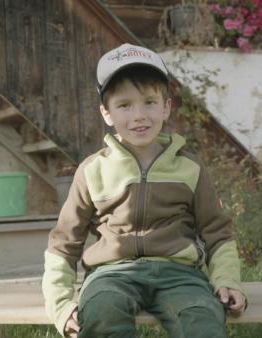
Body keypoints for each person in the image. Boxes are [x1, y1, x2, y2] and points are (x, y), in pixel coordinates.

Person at [42, 43, 246, 338]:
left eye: (149, 102)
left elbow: (218, 233)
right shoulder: (92, 171)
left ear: (166, 107)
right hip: (111, 274)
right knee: (102, 313)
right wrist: (60, 304)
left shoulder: (190, 168)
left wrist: (227, 280)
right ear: (106, 112)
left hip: (180, 275)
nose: (139, 115)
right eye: (125, 105)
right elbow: (63, 243)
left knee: (202, 321)